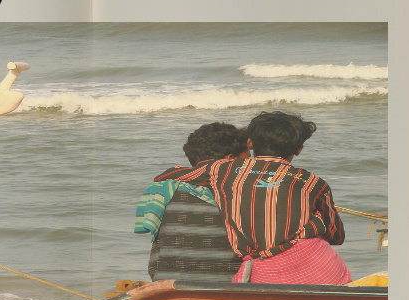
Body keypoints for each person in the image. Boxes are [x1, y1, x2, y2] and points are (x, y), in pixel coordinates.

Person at [154, 111, 351, 285]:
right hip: (320, 266)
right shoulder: (313, 182)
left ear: (250, 143)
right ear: (298, 149)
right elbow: (336, 235)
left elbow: (169, 175)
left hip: (265, 269)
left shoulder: (222, 170)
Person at [135, 122, 249, 282]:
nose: (252, 165)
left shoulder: (164, 188)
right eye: (248, 159)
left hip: (168, 283)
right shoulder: (244, 194)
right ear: (230, 160)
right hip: (227, 285)